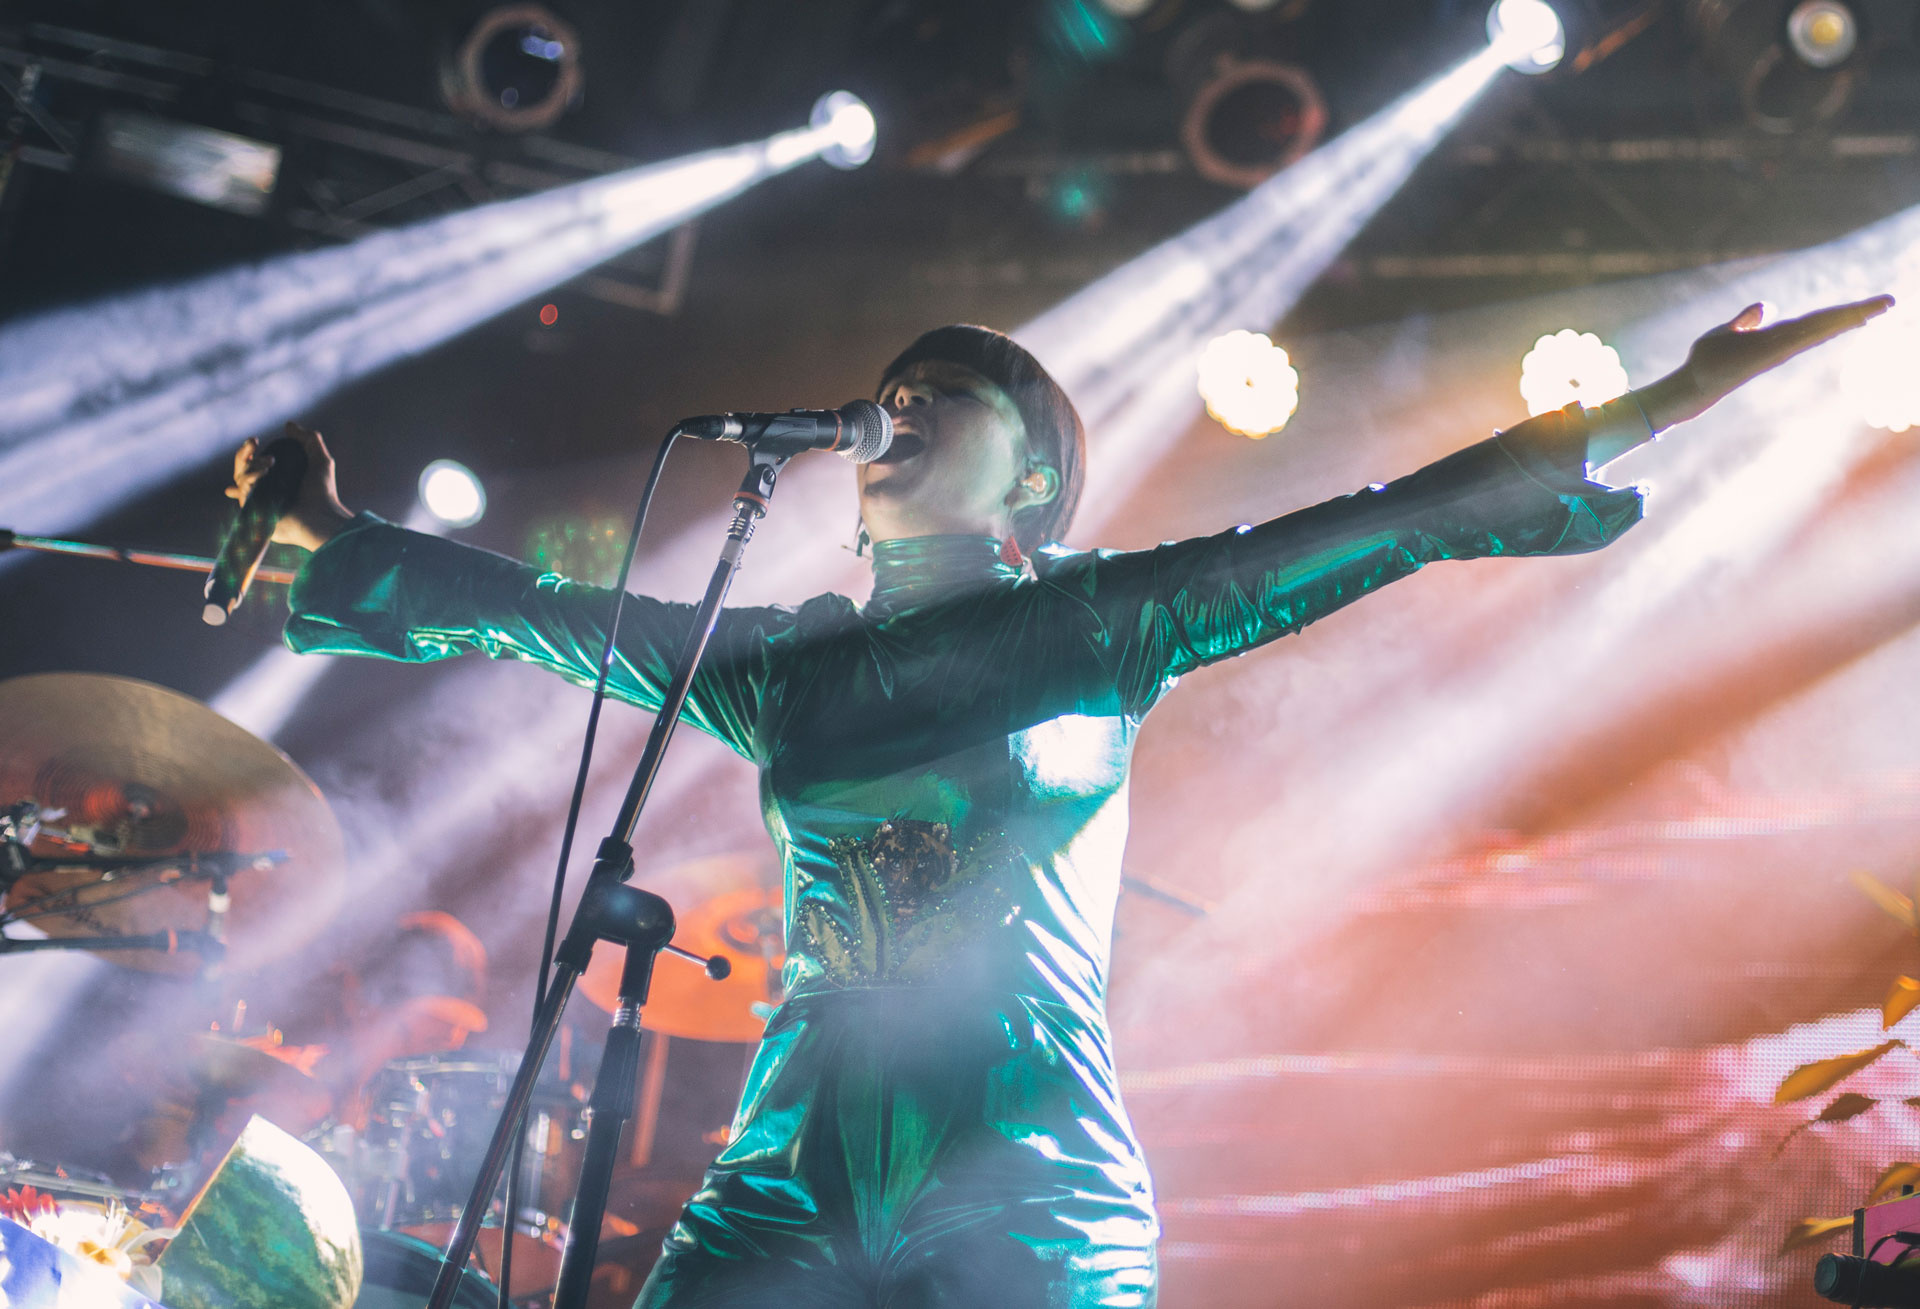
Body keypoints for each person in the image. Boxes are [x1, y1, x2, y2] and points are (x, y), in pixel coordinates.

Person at [230, 296, 1889, 1307]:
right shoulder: (783, 670)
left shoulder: (1095, 621)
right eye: (892, 384)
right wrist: (329, 538)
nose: (898, 403)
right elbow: (540, 611)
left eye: (943, 391)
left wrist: (1656, 403)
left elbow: (1357, 525)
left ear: (1032, 473)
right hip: (786, 1169)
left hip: (1020, 1178)